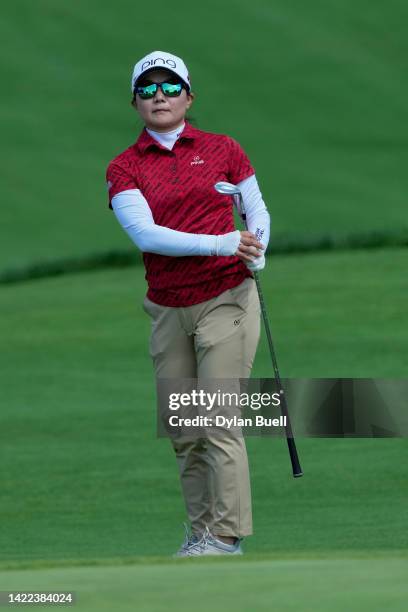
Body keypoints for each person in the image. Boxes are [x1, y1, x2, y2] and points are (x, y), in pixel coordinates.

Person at [106, 50, 270, 556]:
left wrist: (257, 247)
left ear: (188, 96)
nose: (160, 96)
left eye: (171, 87)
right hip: (168, 307)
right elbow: (145, 233)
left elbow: (255, 209)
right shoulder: (124, 167)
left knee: (218, 417)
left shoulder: (224, 149)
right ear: (135, 102)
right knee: (185, 428)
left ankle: (225, 536)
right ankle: (200, 534)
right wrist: (221, 242)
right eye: (149, 89)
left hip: (227, 297)